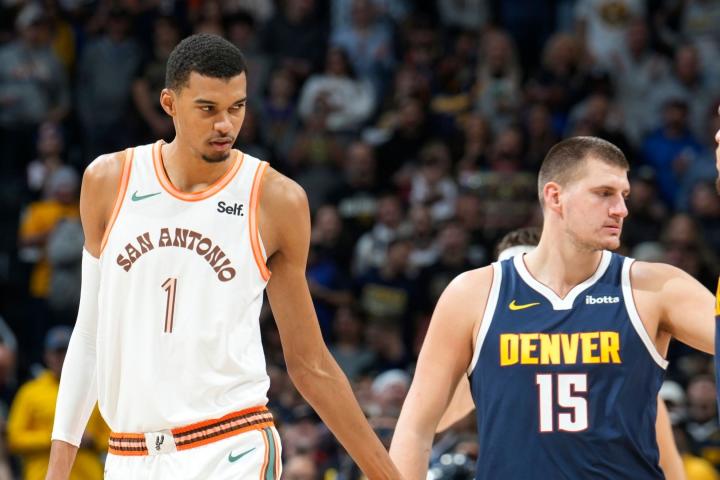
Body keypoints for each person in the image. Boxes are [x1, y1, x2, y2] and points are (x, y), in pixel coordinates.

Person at [46, 33, 401, 480]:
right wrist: (57, 472)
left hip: (231, 446)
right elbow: (89, 337)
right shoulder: (108, 180)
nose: (225, 125)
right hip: (130, 455)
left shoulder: (275, 199)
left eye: (237, 107)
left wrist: (389, 476)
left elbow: (309, 363)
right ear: (169, 103)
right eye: (208, 108)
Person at [390, 136, 716, 479]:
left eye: (624, 195)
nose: (621, 209)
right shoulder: (473, 293)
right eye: (604, 193)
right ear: (555, 196)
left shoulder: (656, 288)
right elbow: (416, 428)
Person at [436, 226, 686, 480]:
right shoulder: (495, 359)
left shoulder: (621, 368)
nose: (519, 285)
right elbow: (434, 421)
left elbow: (668, 462)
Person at [8, 326, 107, 480]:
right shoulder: (30, 392)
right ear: (47, 356)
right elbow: (14, 438)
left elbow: (113, 435)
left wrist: (93, 441)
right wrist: (55, 437)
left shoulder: (94, 389)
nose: (62, 358)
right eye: (57, 353)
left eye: (67, 351)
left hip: (87, 475)